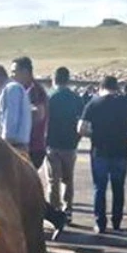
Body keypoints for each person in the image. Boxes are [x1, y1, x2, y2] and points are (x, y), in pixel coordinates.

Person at [78, 75, 127, 234]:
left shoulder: (93, 103)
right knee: (118, 187)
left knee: (99, 188)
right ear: (116, 87)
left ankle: (100, 223)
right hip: (121, 150)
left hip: (100, 150)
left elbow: (81, 128)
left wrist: (92, 135)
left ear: (100, 87)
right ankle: (117, 221)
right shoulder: (124, 102)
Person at [46, 66, 83, 232]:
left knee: (53, 180)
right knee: (68, 179)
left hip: (52, 143)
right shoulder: (76, 98)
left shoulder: (49, 97)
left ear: (54, 79)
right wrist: (76, 139)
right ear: (68, 80)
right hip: (69, 144)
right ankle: (68, 210)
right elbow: (81, 121)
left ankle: (55, 211)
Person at [0, 62, 30, 153]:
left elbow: (10, 118)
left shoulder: (11, 89)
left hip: (12, 146)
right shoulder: (12, 89)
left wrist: (5, 146)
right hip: (15, 145)